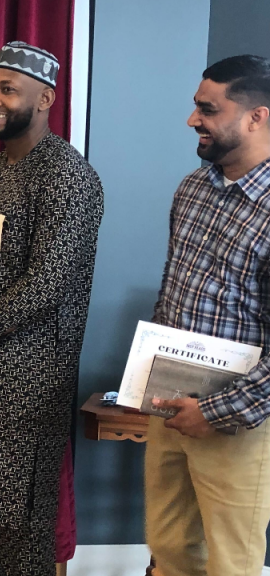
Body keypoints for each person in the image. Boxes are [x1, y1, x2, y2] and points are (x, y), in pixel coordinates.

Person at [0, 42, 103, 575]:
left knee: (22, 528)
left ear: (46, 97)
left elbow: (47, 284)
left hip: (31, 382)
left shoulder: (68, 177)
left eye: (8, 89)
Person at [143, 55, 270, 576]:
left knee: (230, 564)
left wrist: (214, 412)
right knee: (168, 546)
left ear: (256, 118)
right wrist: (145, 381)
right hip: (170, 407)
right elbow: (172, 294)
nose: (192, 119)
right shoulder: (192, 189)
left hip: (237, 423)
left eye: (207, 109)